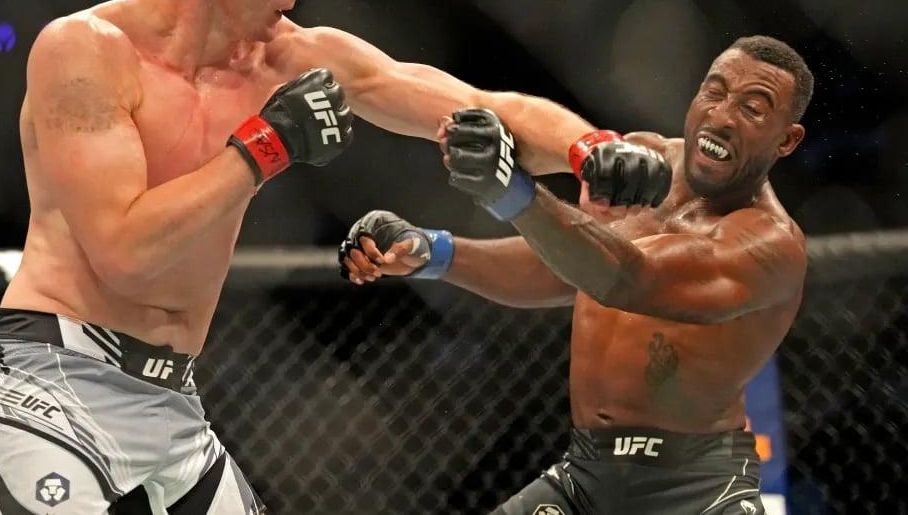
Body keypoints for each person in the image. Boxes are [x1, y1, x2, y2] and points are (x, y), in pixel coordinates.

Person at [0, 0, 672, 515]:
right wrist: (262, 147)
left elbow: (479, 107)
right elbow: (124, 251)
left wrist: (590, 148)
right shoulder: (87, 53)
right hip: (58, 370)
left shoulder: (288, 57)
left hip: (172, 396)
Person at [340, 36, 812, 514]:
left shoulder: (770, 246)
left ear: (787, 140)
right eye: (715, 92)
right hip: (584, 475)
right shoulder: (644, 162)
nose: (722, 117)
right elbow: (566, 267)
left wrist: (511, 190)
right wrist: (433, 251)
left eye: (753, 108)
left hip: (696, 490)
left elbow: (631, 279)